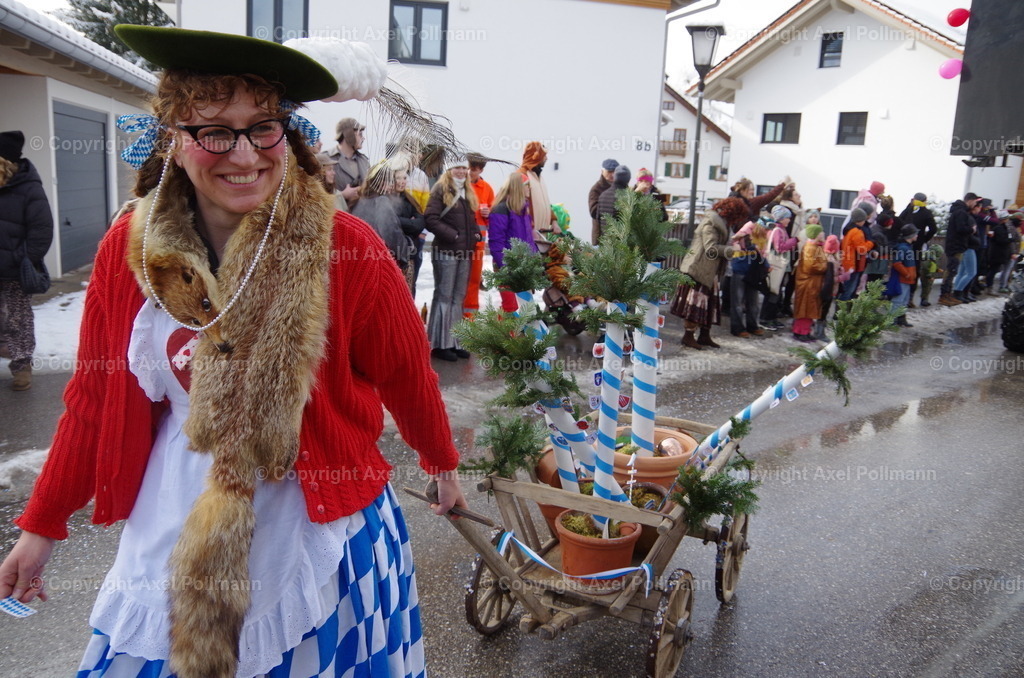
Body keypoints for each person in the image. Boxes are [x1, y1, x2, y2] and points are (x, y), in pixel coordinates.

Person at [0, 26, 466, 678]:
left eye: (263, 127)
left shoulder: (348, 249)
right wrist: (41, 527)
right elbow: (94, 402)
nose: (243, 154)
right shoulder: (126, 254)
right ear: (175, 138)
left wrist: (440, 459)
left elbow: (405, 373)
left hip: (318, 524)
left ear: (288, 133)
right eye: (214, 130)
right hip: (174, 518)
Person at [0, 130, 53, 391]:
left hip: (13, 273)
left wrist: (23, 260)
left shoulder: (28, 188)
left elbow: (42, 230)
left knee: (17, 321)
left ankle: (22, 369)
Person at [670, 197, 747, 349]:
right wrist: (732, 251)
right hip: (699, 269)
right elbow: (711, 248)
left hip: (709, 271)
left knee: (710, 304)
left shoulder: (721, 222)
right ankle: (688, 336)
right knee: (696, 305)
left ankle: (704, 335)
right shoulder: (711, 222)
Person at [425, 157, 479, 361]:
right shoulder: (440, 190)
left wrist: (475, 235)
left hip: (464, 253)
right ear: (449, 169)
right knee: (444, 296)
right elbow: (430, 219)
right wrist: (453, 235)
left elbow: (471, 221)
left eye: (464, 168)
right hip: (446, 252)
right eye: (457, 168)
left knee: (458, 298)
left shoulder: (467, 192)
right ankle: (440, 344)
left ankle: (455, 341)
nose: (461, 172)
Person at [351, 161, 413, 274]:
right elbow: (391, 233)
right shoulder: (381, 201)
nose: (391, 184)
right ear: (378, 182)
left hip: (360, 262)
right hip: (377, 264)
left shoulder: (360, 200)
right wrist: (406, 250)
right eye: (388, 181)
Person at [488, 172, 538, 312]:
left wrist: (534, 260)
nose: (530, 189)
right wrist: (505, 266)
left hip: (523, 266)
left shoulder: (522, 210)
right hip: (508, 265)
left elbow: (528, 239)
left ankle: (521, 333)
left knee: (526, 308)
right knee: (511, 307)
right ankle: (504, 333)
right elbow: (496, 242)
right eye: (527, 186)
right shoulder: (501, 209)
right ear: (518, 188)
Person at [386, 161, 426, 296]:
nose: (402, 181)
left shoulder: (410, 199)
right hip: (392, 253)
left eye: (404, 178)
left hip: (410, 252)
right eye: (398, 178)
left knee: (408, 291)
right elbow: (389, 222)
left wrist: (404, 223)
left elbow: (420, 223)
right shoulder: (384, 200)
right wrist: (410, 223)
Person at [463, 154, 494, 318]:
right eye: (469, 168)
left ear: (481, 170)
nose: (470, 172)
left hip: (478, 244)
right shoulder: (460, 186)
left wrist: (488, 213)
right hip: (460, 243)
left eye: (474, 169)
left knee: (474, 280)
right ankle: (457, 315)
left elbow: (494, 218)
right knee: (459, 279)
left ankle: (470, 316)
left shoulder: (487, 189)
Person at [761, 204, 798, 330]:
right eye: (787, 218)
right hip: (776, 266)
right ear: (781, 218)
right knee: (773, 292)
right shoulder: (778, 230)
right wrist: (794, 241)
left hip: (779, 266)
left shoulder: (780, 230)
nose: (789, 220)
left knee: (776, 292)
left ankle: (772, 317)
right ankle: (766, 319)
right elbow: (780, 247)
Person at [939, 192, 979, 305]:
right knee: (951, 270)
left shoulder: (959, 211)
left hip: (956, 245)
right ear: (970, 200)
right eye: (975, 202)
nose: (975, 204)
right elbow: (961, 229)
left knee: (953, 270)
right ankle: (944, 295)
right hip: (955, 245)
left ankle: (947, 294)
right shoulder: (961, 212)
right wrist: (972, 230)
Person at [898, 192, 937, 306]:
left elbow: (900, 221)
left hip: (903, 244)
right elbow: (933, 229)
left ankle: (901, 295)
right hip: (917, 246)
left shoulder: (908, 210)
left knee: (901, 268)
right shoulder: (926, 213)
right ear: (924, 201)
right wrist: (924, 238)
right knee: (914, 271)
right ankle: (909, 298)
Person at [792, 223, 828, 342]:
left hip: (813, 283)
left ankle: (805, 331)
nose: (823, 234)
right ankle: (800, 332)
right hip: (808, 283)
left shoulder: (816, 247)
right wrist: (826, 265)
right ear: (816, 234)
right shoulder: (810, 248)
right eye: (820, 232)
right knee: (805, 309)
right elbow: (810, 266)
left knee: (809, 308)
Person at [326, 116, 369, 208]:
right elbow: (316, 194)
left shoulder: (364, 161)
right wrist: (342, 195)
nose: (363, 138)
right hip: (337, 214)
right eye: (360, 134)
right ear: (349, 135)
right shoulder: (326, 159)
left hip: (363, 213)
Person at [838, 207, 874, 301]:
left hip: (847, 263)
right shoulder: (857, 232)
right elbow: (862, 249)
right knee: (849, 290)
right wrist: (871, 243)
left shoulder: (848, 230)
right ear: (860, 220)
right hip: (854, 264)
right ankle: (841, 313)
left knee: (846, 288)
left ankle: (840, 312)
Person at [891, 224, 919, 327]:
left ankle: (901, 319)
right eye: (915, 234)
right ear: (910, 236)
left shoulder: (907, 247)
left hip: (907, 279)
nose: (917, 236)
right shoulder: (903, 248)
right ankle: (891, 320)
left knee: (904, 300)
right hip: (902, 279)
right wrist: (907, 274)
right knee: (898, 300)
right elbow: (897, 263)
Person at [589, 158, 617, 242]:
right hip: (602, 236)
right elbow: (594, 212)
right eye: (609, 172)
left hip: (618, 236)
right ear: (602, 171)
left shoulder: (621, 188)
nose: (612, 174)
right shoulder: (596, 189)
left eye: (614, 172)